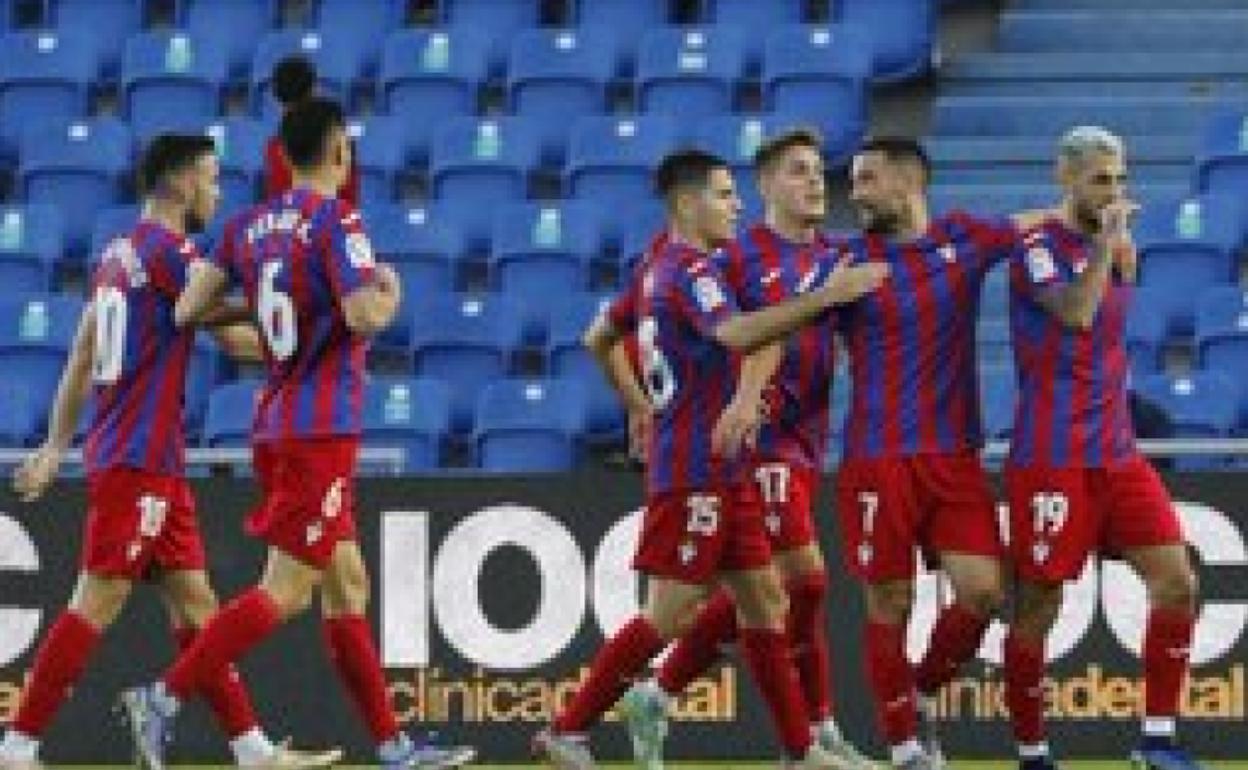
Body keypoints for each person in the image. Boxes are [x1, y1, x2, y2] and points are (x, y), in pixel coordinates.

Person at [118, 100, 474, 770]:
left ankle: (394, 746)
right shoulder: (338, 220)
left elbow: (188, 308)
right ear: (340, 152)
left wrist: (257, 298)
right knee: (285, 591)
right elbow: (363, 316)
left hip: (275, 423)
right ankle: (162, 697)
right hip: (320, 430)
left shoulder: (245, 226)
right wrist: (391, 295)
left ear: (282, 156)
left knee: (349, 584)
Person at [532, 148, 889, 769]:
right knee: (671, 615)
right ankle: (568, 729)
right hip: (696, 468)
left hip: (727, 468)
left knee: (766, 601)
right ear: (686, 203)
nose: (736, 206)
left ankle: (799, 750)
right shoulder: (693, 270)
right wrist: (827, 297)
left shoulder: (654, 270)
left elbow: (598, 338)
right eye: (724, 195)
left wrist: (640, 407)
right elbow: (738, 334)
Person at [0, 134, 340, 770]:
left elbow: (81, 354)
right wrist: (315, 324)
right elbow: (233, 335)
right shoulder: (170, 254)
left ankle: (251, 748)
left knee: (197, 604)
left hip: (147, 459)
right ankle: (17, 745)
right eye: (210, 178)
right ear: (182, 182)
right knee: (97, 598)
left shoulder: (117, 253)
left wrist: (55, 445)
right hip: (139, 458)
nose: (217, 193)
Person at [1002, 126, 1204, 770]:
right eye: (1099, 180)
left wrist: (1114, 249)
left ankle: (1157, 740)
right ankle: (1032, 750)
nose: (1113, 193)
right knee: (1039, 604)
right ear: (1065, 178)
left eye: (1120, 180)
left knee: (1176, 582)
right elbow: (1075, 313)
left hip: (1117, 452)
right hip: (1051, 457)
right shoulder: (1037, 247)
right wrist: (1103, 245)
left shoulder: (1116, 250)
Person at [833, 137, 1022, 769]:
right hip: (876, 458)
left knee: (983, 593)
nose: (856, 194)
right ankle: (905, 747)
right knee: (890, 602)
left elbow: (1035, 226)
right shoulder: (847, 262)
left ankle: (917, 693)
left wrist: (1100, 226)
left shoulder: (964, 238)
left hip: (954, 457)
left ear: (909, 182)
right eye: (853, 182)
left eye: (867, 180)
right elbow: (785, 328)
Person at [263, 55, 359, 206]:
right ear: (314, 89)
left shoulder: (274, 147)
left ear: (276, 96)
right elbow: (349, 197)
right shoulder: (339, 141)